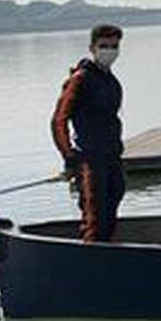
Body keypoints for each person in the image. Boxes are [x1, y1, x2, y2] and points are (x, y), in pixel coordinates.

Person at [52, 24, 126, 243]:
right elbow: (59, 119)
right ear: (92, 48)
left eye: (114, 46)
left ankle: (107, 256)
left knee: (111, 212)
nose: (110, 51)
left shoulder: (111, 81)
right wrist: (69, 157)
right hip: (90, 159)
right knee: (94, 218)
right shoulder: (80, 79)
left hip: (112, 157)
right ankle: (92, 261)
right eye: (104, 46)